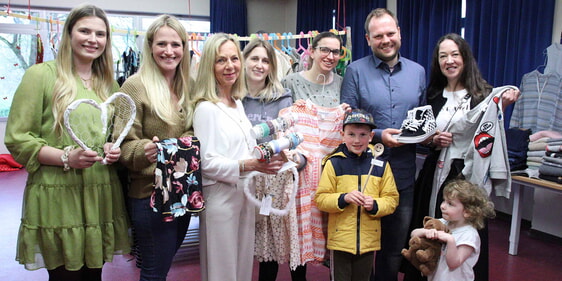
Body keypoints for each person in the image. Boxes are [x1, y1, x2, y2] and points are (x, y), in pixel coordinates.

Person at [4, 4, 130, 280]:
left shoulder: (108, 83)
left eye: (100, 34)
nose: (92, 39)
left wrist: (111, 148)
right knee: (65, 276)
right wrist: (65, 158)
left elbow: (111, 133)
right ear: (69, 33)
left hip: (100, 191)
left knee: (93, 273)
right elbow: (17, 138)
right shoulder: (40, 76)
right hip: (58, 191)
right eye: (84, 31)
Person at [404, 33, 520, 281]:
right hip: (435, 170)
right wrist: (432, 140)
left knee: (465, 228)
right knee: (430, 224)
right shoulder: (433, 95)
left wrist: (505, 102)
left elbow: (490, 129)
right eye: (443, 56)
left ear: (465, 57)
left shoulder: (483, 95)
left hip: (466, 177)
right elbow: (420, 133)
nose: (449, 60)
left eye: (455, 54)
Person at [340, 8, 426, 281]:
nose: (386, 40)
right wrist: (377, 135)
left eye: (390, 33)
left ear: (399, 33)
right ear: (368, 39)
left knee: (392, 251)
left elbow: (423, 119)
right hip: (361, 177)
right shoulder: (354, 71)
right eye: (379, 36)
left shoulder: (418, 72)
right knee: (358, 249)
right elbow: (346, 121)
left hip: (402, 177)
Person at [192, 33, 284, 281]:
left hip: (244, 195)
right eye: (221, 60)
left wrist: (271, 154)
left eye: (234, 58)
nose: (230, 66)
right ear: (210, 65)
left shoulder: (237, 103)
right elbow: (206, 162)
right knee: (222, 271)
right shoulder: (205, 108)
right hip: (220, 199)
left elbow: (245, 147)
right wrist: (249, 164)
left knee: (242, 268)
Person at [118, 14, 194, 280]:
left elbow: (198, 132)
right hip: (149, 194)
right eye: (162, 44)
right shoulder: (134, 86)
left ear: (185, 48)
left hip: (182, 193)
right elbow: (124, 146)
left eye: (176, 44)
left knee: (163, 264)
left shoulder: (190, 86)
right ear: (150, 46)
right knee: (154, 271)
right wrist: (144, 150)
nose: (169, 51)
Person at [315, 109, 399, 281]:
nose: (357, 140)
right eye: (351, 134)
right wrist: (343, 198)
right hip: (340, 241)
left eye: (362, 135)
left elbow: (392, 199)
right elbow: (321, 199)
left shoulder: (381, 164)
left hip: (368, 242)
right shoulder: (334, 163)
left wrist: (375, 205)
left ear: (371, 136)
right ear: (342, 134)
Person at [241, 38, 301, 281]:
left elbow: (290, 138)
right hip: (239, 175)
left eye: (265, 60)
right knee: (241, 241)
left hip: (270, 180)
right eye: (254, 58)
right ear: (244, 61)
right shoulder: (232, 97)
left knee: (271, 244)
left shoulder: (283, 98)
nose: (259, 65)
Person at [409, 179, 495, 281]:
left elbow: (453, 263)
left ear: (467, 212)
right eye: (444, 201)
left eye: (450, 204)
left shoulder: (469, 235)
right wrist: (426, 232)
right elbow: (414, 233)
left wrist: (450, 241)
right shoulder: (443, 223)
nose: (442, 206)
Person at [282, 31, 344, 108]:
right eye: (324, 50)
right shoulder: (290, 82)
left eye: (335, 52)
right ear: (312, 51)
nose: (330, 57)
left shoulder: (342, 84)